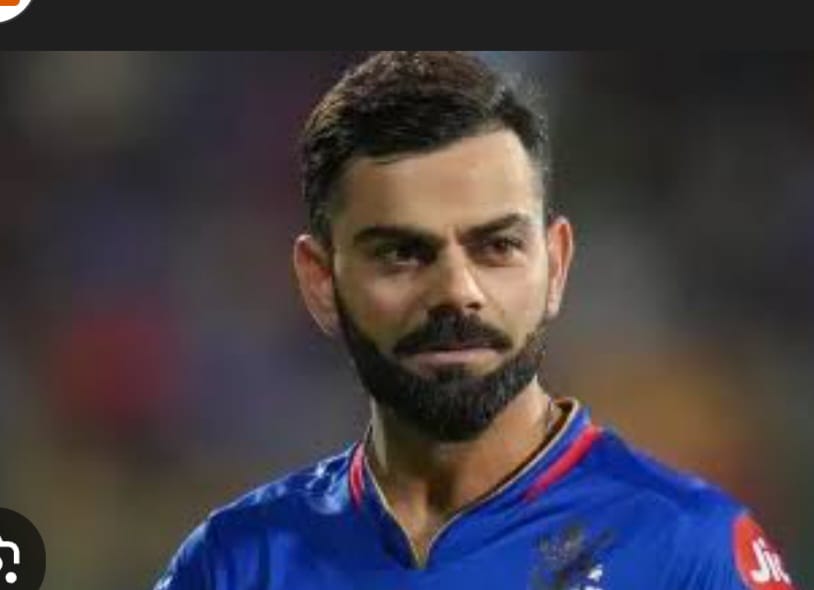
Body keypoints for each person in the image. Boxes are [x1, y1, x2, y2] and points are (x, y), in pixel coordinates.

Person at [153, 51, 796, 590]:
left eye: (497, 247)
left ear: (556, 266)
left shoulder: (687, 551)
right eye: (402, 253)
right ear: (321, 281)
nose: (457, 293)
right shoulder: (237, 563)